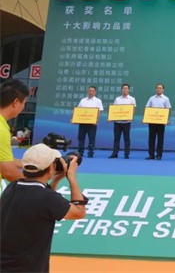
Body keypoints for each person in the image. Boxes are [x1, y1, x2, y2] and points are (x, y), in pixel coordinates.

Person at [0, 143, 86, 272]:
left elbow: (45, 201)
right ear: (51, 167)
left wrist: (55, 180)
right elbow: (79, 212)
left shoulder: (12, 187)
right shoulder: (46, 198)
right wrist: (71, 177)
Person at [0, 79, 27, 184]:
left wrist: (28, 164)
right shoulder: (1, 130)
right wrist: (35, 186)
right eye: (24, 103)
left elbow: (4, 159)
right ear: (16, 102)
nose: (23, 107)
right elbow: (9, 172)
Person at [108, 83, 136, 159]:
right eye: (123, 88)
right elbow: (114, 110)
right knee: (116, 138)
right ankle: (115, 153)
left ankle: (126, 154)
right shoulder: (117, 99)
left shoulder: (132, 99)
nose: (125, 89)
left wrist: (131, 117)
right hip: (117, 122)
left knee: (126, 138)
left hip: (127, 122)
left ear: (129, 90)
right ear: (121, 89)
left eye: (126, 88)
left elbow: (133, 109)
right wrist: (111, 117)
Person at [145, 84, 171, 161]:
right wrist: (146, 118)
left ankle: (159, 155)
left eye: (160, 88)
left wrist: (166, 120)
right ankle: (151, 155)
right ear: (155, 89)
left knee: (160, 139)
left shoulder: (166, 99)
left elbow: (168, 109)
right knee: (151, 138)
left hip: (161, 122)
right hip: (152, 121)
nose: (159, 89)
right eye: (157, 88)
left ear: (163, 90)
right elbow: (147, 108)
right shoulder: (151, 98)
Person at [76, 86, 103, 158]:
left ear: (95, 92)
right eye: (90, 91)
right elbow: (78, 111)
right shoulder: (83, 100)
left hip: (92, 124)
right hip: (82, 123)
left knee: (91, 139)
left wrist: (97, 120)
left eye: (92, 91)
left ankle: (90, 153)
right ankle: (80, 153)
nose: (91, 92)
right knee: (81, 138)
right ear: (88, 91)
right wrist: (74, 119)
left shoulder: (98, 101)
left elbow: (99, 112)